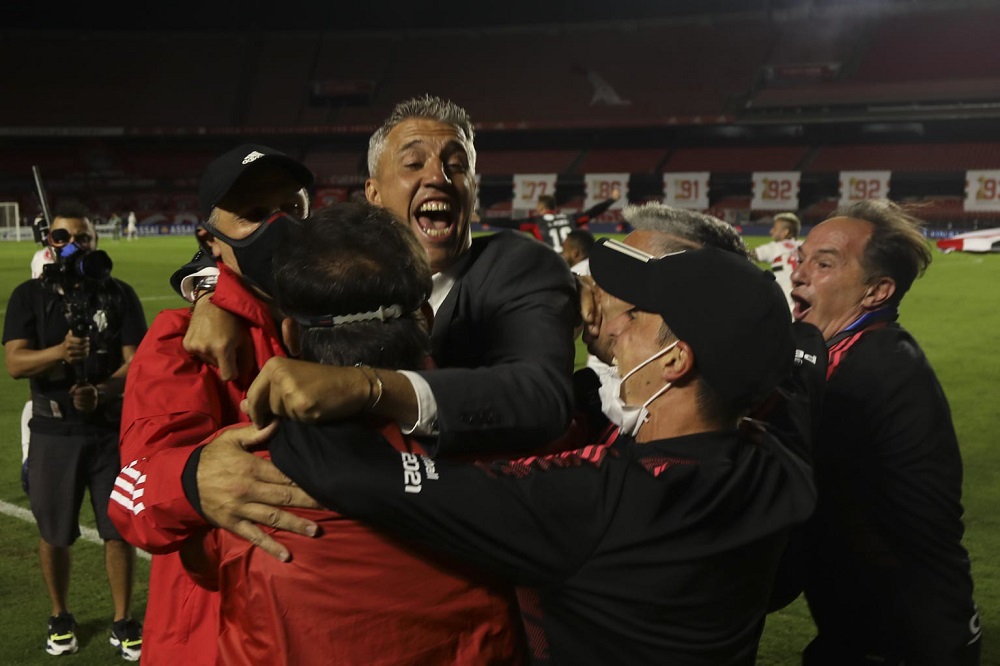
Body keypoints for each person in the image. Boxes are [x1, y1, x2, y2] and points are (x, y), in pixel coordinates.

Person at [239, 233, 816, 665]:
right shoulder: (779, 462)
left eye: (636, 316)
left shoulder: (593, 501)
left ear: (675, 359)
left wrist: (310, 388)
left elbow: (363, 478)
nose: (614, 324)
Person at [173, 95, 578, 555]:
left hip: (471, 545)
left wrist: (370, 387)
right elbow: (250, 254)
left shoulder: (518, 265)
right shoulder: (340, 265)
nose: (439, 177)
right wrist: (210, 294)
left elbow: (542, 397)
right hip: (331, 548)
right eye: (413, 163)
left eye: (457, 165)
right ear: (372, 194)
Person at [181, 203, 524, 664]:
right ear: (426, 317)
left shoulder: (234, 480)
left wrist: (207, 293)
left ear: (292, 337)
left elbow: (199, 562)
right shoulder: (514, 447)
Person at [106, 144, 317, 666]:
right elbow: (133, 490)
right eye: (252, 214)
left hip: (317, 628)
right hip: (211, 635)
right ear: (211, 241)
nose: (279, 226)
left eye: (292, 209)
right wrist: (190, 479)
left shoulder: (345, 326)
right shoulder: (178, 342)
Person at [790, 200, 981, 665]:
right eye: (802, 257)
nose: (798, 273)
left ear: (877, 291)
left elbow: (782, 487)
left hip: (907, 641)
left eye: (824, 263)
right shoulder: (845, 354)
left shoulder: (876, 371)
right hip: (871, 626)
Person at [2, 204, 146, 660]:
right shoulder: (28, 296)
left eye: (83, 238)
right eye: (64, 237)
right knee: (55, 532)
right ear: (50, 243)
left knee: (118, 529)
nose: (74, 245)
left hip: (108, 430)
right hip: (52, 430)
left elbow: (136, 363)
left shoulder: (119, 294)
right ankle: (60, 613)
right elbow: (15, 363)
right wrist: (60, 353)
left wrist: (103, 392)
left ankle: (123, 621)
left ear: (94, 241)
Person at [487, 190, 620, 253]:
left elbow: (508, 223)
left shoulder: (536, 222)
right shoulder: (570, 218)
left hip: (552, 263)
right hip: (574, 259)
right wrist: (611, 200)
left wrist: (483, 219)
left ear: (541, 207)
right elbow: (591, 213)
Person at [754, 211, 802, 315]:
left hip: (784, 300)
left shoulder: (774, 248)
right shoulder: (804, 246)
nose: (771, 232)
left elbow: (749, 254)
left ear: (785, 232)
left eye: (774, 228)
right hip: (803, 298)